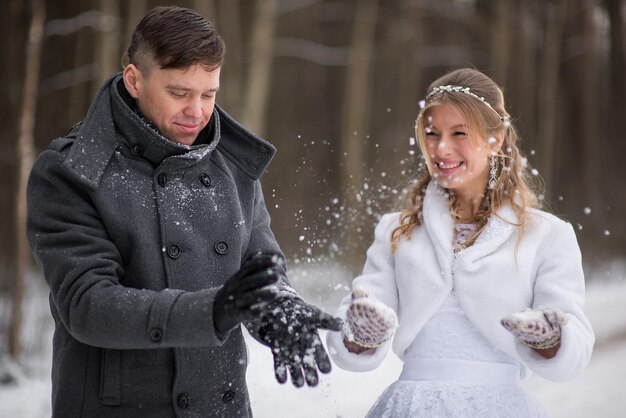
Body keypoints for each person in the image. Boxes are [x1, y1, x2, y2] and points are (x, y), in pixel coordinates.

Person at [27, 6, 341, 417]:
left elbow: (261, 269)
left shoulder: (233, 165)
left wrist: (279, 309)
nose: (197, 110)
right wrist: (212, 310)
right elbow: (88, 305)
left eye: (209, 94)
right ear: (134, 80)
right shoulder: (74, 171)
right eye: (179, 93)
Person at [326, 68, 594, 417]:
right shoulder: (397, 231)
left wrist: (550, 340)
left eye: (459, 133)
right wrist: (360, 333)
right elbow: (361, 321)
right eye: (432, 133)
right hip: (412, 408)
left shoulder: (547, 235)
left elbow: (573, 352)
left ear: (494, 139)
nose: (441, 148)